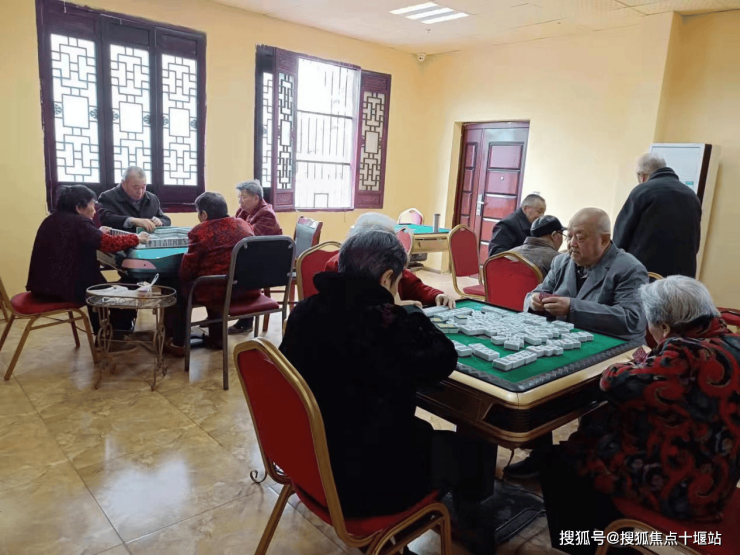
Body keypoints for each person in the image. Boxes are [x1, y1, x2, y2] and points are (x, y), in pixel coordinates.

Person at [280, 227, 497, 554]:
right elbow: (444, 359)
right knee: (474, 453)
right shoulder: (388, 323)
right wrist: (407, 311)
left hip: (308, 460)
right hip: (362, 482)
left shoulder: (304, 311)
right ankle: (464, 532)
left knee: (416, 431)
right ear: (386, 279)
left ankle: (393, 542)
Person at [541, 276, 740, 555]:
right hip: (719, 474)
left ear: (665, 327)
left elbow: (614, 383)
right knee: (595, 433)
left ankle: (593, 546)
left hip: (686, 490)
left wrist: (632, 363)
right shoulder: (731, 342)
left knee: (562, 460)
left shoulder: (685, 354)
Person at [508, 208, 648, 480]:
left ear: (604, 240)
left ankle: (587, 460)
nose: (571, 243)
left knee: (554, 387)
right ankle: (541, 455)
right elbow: (537, 292)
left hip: (613, 350)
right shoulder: (562, 262)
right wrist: (534, 301)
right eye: (569, 236)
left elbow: (631, 319)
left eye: (580, 237)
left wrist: (572, 308)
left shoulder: (629, 268)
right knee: (530, 376)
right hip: (567, 341)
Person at [26, 185, 148, 333]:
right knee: (122, 289)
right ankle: (115, 332)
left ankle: (105, 331)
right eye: (92, 205)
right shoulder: (79, 222)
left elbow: (79, 238)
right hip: (61, 290)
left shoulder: (51, 219)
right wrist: (136, 238)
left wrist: (97, 232)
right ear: (79, 207)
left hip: (42, 287)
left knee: (98, 283)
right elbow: (109, 244)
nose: (94, 210)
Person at [166, 192, 256, 354]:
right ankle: (217, 338)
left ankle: (179, 342)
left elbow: (187, 270)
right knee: (218, 279)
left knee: (177, 286)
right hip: (247, 289)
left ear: (204, 214)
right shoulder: (243, 224)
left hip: (217, 291)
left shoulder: (201, 231)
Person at [325, 213, 456, 308]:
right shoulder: (339, 265)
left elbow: (413, 286)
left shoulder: (389, 261)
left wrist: (436, 295)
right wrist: (396, 306)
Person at [614, 153, 702, 278]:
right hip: (682, 276)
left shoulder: (643, 191)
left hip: (646, 274)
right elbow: (695, 240)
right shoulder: (691, 195)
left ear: (642, 176)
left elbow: (622, 235)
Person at [230, 179, 283, 334]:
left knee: (240, 272)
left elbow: (249, 238)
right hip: (254, 257)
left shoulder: (266, 214)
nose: (240, 200)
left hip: (269, 261)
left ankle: (246, 321)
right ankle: (219, 316)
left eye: (244, 197)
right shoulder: (243, 211)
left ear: (256, 198)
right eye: (239, 196)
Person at [97, 166, 171, 232]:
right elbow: (106, 219)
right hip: (121, 241)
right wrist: (132, 220)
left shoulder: (152, 199)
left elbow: (166, 219)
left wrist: (160, 221)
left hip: (148, 240)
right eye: (136, 187)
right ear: (123, 183)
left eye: (143, 187)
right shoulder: (108, 197)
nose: (140, 192)